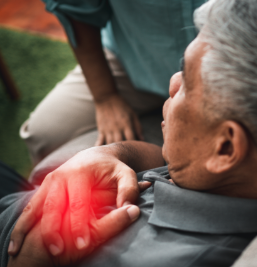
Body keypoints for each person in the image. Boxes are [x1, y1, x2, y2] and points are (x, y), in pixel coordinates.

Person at [4, 0, 257, 267]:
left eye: (187, 76)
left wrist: (39, 249)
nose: (171, 84)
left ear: (226, 148)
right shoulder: (233, 180)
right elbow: (169, 164)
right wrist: (112, 152)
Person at [19, 0, 206, 165]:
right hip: (132, 59)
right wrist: (105, 96)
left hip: (220, 78)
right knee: (42, 133)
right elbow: (74, 6)